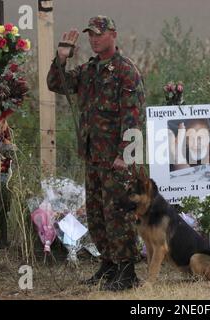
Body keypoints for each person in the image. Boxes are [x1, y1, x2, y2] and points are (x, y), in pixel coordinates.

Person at [46, 16, 145, 291]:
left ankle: (127, 272)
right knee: (98, 213)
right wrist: (62, 57)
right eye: (91, 35)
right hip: (93, 156)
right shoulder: (90, 70)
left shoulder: (125, 71)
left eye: (99, 34)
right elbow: (58, 84)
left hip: (117, 159)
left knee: (118, 216)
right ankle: (109, 264)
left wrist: (124, 155)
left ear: (113, 34)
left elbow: (133, 118)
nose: (94, 39)